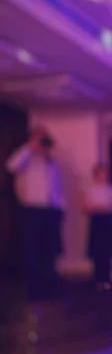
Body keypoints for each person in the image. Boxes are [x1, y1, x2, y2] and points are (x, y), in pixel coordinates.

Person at [5, 127, 65, 301]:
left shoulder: (52, 162)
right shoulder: (26, 158)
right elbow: (11, 165)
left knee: (49, 250)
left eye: (44, 138)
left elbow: (57, 187)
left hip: (51, 211)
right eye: (40, 138)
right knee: (32, 250)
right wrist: (30, 146)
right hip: (32, 210)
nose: (43, 141)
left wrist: (61, 208)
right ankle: (34, 290)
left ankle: (49, 289)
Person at [82, 163, 112, 291]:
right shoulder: (90, 190)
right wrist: (99, 208)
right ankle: (98, 279)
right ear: (96, 175)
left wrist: (106, 209)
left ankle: (108, 279)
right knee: (97, 250)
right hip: (97, 221)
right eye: (100, 173)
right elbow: (85, 208)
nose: (103, 176)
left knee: (108, 250)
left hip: (108, 221)